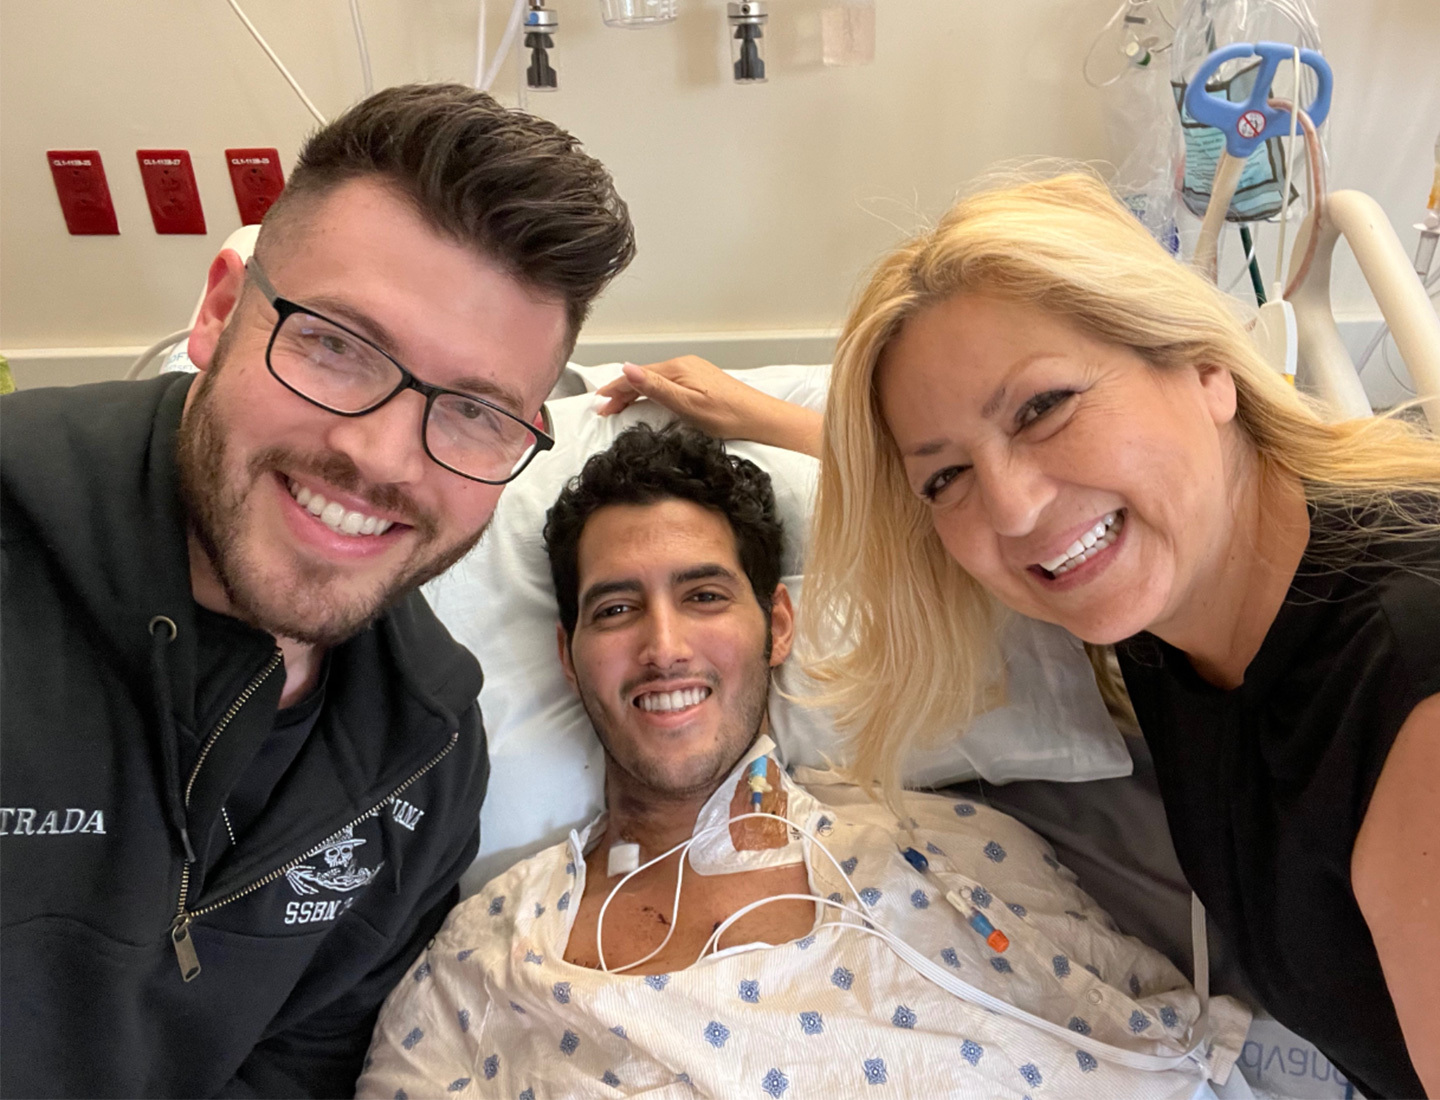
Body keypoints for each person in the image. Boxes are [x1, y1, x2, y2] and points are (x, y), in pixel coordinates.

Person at [606, 173, 1440, 1098]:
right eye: (946, 477)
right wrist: (763, 418)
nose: (1012, 508)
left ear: (1207, 367)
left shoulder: (1408, 678)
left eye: (1044, 408)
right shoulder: (1170, 600)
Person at [0, 83, 634, 1098]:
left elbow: (300, 1068)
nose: (380, 456)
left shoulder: (423, 758)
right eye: (337, 345)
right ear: (218, 311)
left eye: (474, 410)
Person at [357, 423, 1247, 1100]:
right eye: (617, 609)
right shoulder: (489, 957)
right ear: (569, 654)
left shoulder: (949, 855)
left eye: (704, 595)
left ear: (778, 626)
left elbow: (1174, 1054)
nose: (665, 647)